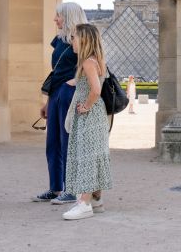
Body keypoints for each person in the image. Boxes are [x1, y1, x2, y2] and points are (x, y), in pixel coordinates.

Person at [34, 2, 87, 205]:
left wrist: (74, 85)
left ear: (69, 17)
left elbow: (91, 67)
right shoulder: (59, 40)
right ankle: (56, 187)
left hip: (71, 93)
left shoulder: (82, 39)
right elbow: (55, 72)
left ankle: (71, 189)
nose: (55, 19)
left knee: (67, 141)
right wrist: (48, 101)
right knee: (53, 142)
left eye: (59, 16)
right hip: (56, 92)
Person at [61, 23, 113, 220]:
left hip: (89, 115)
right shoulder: (96, 60)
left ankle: (84, 203)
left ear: (83, 40)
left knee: (86, 157)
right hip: (96, 115)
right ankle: (96, 200)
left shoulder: (87, 63)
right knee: (95, 154)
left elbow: (95, 90)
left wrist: (86, 106)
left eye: (74, 37)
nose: (71, 40)